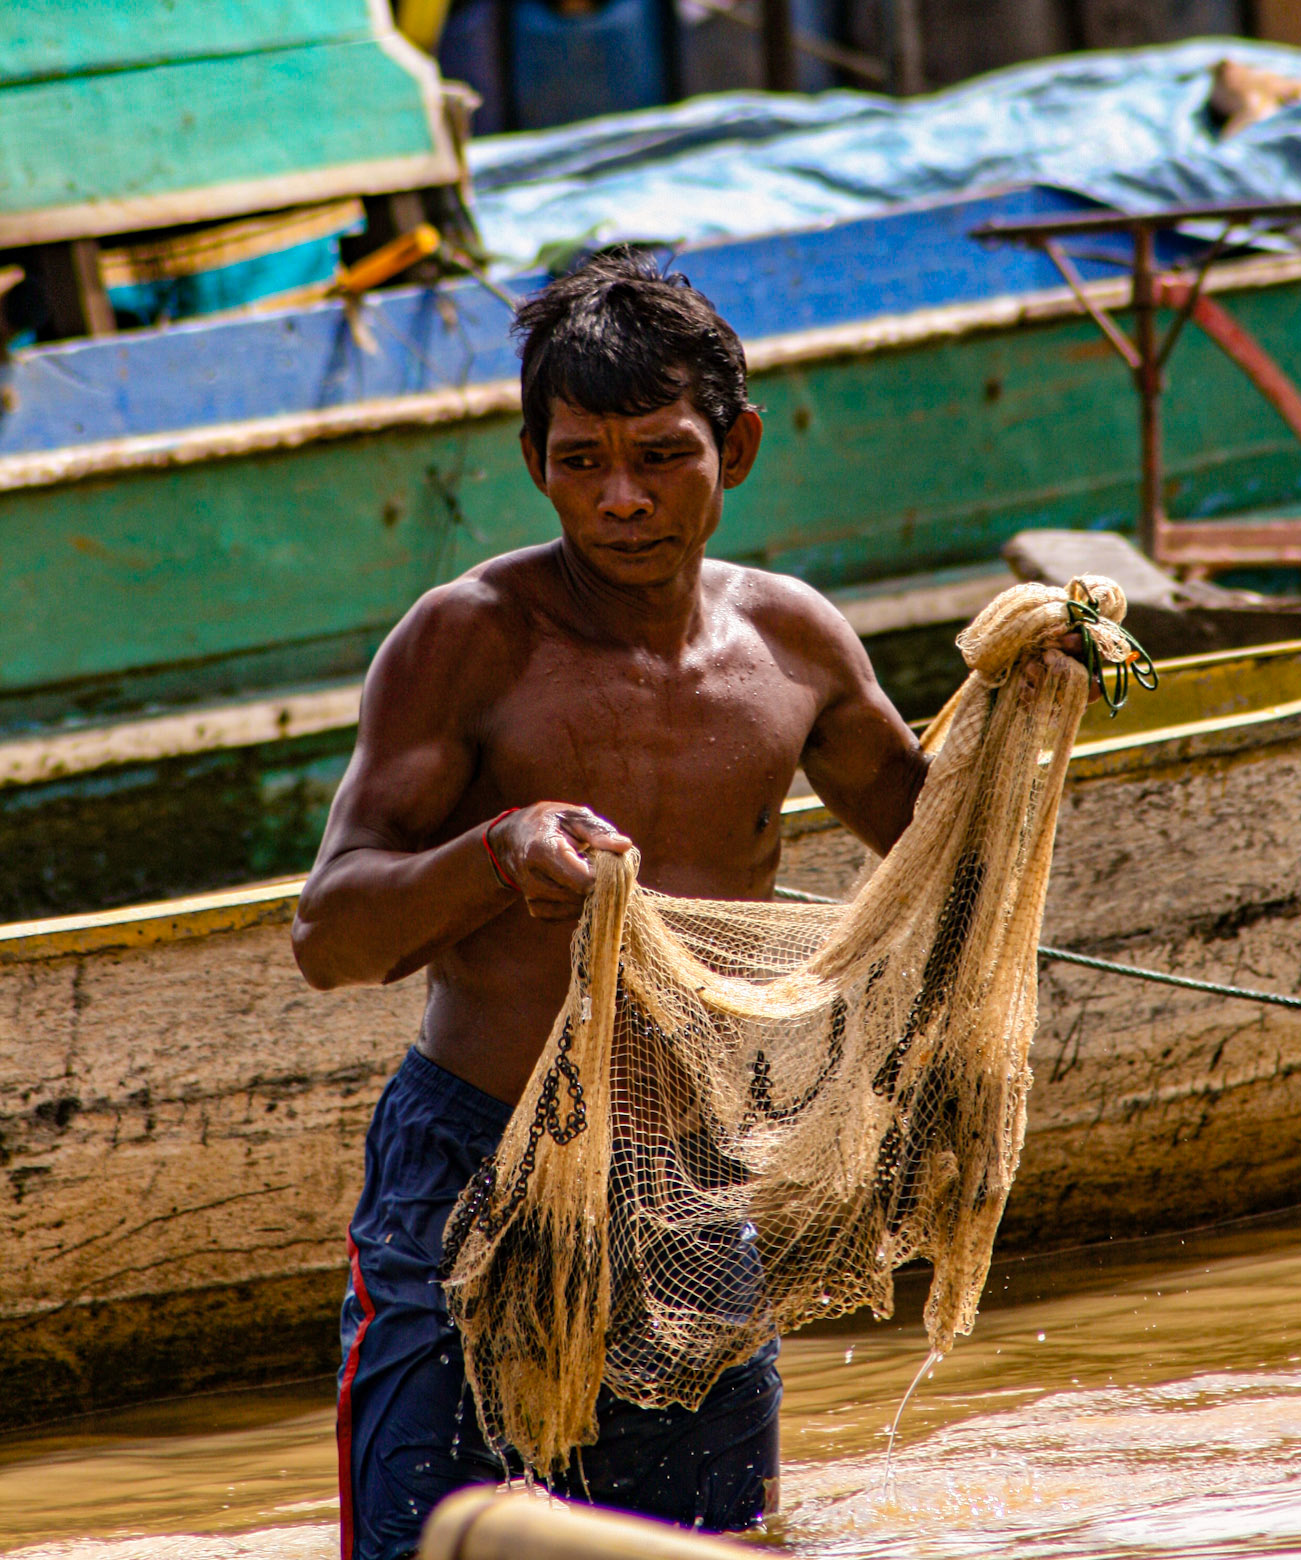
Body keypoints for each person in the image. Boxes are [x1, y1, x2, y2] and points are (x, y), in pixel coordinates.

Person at [292, 250, 1078, 1560]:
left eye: (660, 456)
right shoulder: (464, 640)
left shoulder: (794, 643)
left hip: (689, 1181)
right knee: (428, 1543)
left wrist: (1030, 695)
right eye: (579, 460)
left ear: (739, 445)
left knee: (711, 1552)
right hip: (473, 1168)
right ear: (531, 458)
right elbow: (328, 937)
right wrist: (499, 848)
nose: (619, 501)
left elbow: (940, 856)